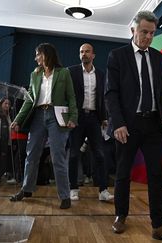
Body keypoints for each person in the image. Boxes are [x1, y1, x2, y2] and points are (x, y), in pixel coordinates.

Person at [105, 10, 162, 241]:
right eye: (143, 32)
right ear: (133, 30)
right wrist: (117, 123)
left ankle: (159, 225)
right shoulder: (117, 56)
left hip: (152, 125)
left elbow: (161, 93)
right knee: (122, 174)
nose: (148, 37)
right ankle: (120, 215)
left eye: (151, 33)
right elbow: (111, 93)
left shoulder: (158, 58)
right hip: (127, 126)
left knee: (157, 176)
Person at [10, 43, 78, 210]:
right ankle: (26, 189)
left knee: (57, 157)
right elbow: (29, 99)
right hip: (38, 116)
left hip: (57, 117)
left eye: (38, 54)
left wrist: (73, 117)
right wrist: (18, 119)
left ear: (46, 54)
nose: (36, 58)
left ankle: (64, 196)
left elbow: (71, 97)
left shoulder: (64, 72)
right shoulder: (35, 74)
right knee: (31, 154)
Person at [67, 43, 114, 201]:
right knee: (73, 154)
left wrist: (104, 117)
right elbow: (66, 96)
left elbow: (103, 98)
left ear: (93, 55)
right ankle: (73, 188)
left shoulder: (101, 74)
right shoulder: (71, 72)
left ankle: (103, 190)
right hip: (76, 118)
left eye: (87, 51)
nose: (84, 54)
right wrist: (68, 117)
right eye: (81, 51)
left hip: (94, 118)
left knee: (100, 155)